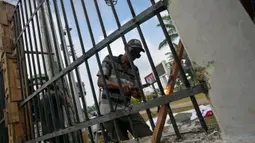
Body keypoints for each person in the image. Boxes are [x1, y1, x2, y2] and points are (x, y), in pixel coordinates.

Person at [97, 39, 152, 142]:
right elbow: (100, 82)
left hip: (127, 109)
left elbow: (138, 95)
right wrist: (120, 86)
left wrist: (134, 92)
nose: (135, 55)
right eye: (133, 51)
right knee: (120, 140)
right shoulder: (110, 59)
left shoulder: (134, 70)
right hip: (108, 110)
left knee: (147, 135)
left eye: (138, 54)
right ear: (126, 48)